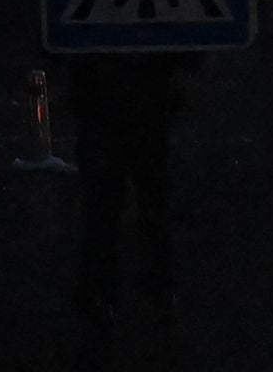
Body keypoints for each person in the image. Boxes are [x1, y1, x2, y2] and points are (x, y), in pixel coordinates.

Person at [65, 54, 188, 320]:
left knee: (114, 208)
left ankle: (116, 294)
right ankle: (148, 294)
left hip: (125, 109)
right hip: (125, 108)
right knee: (117, 208)